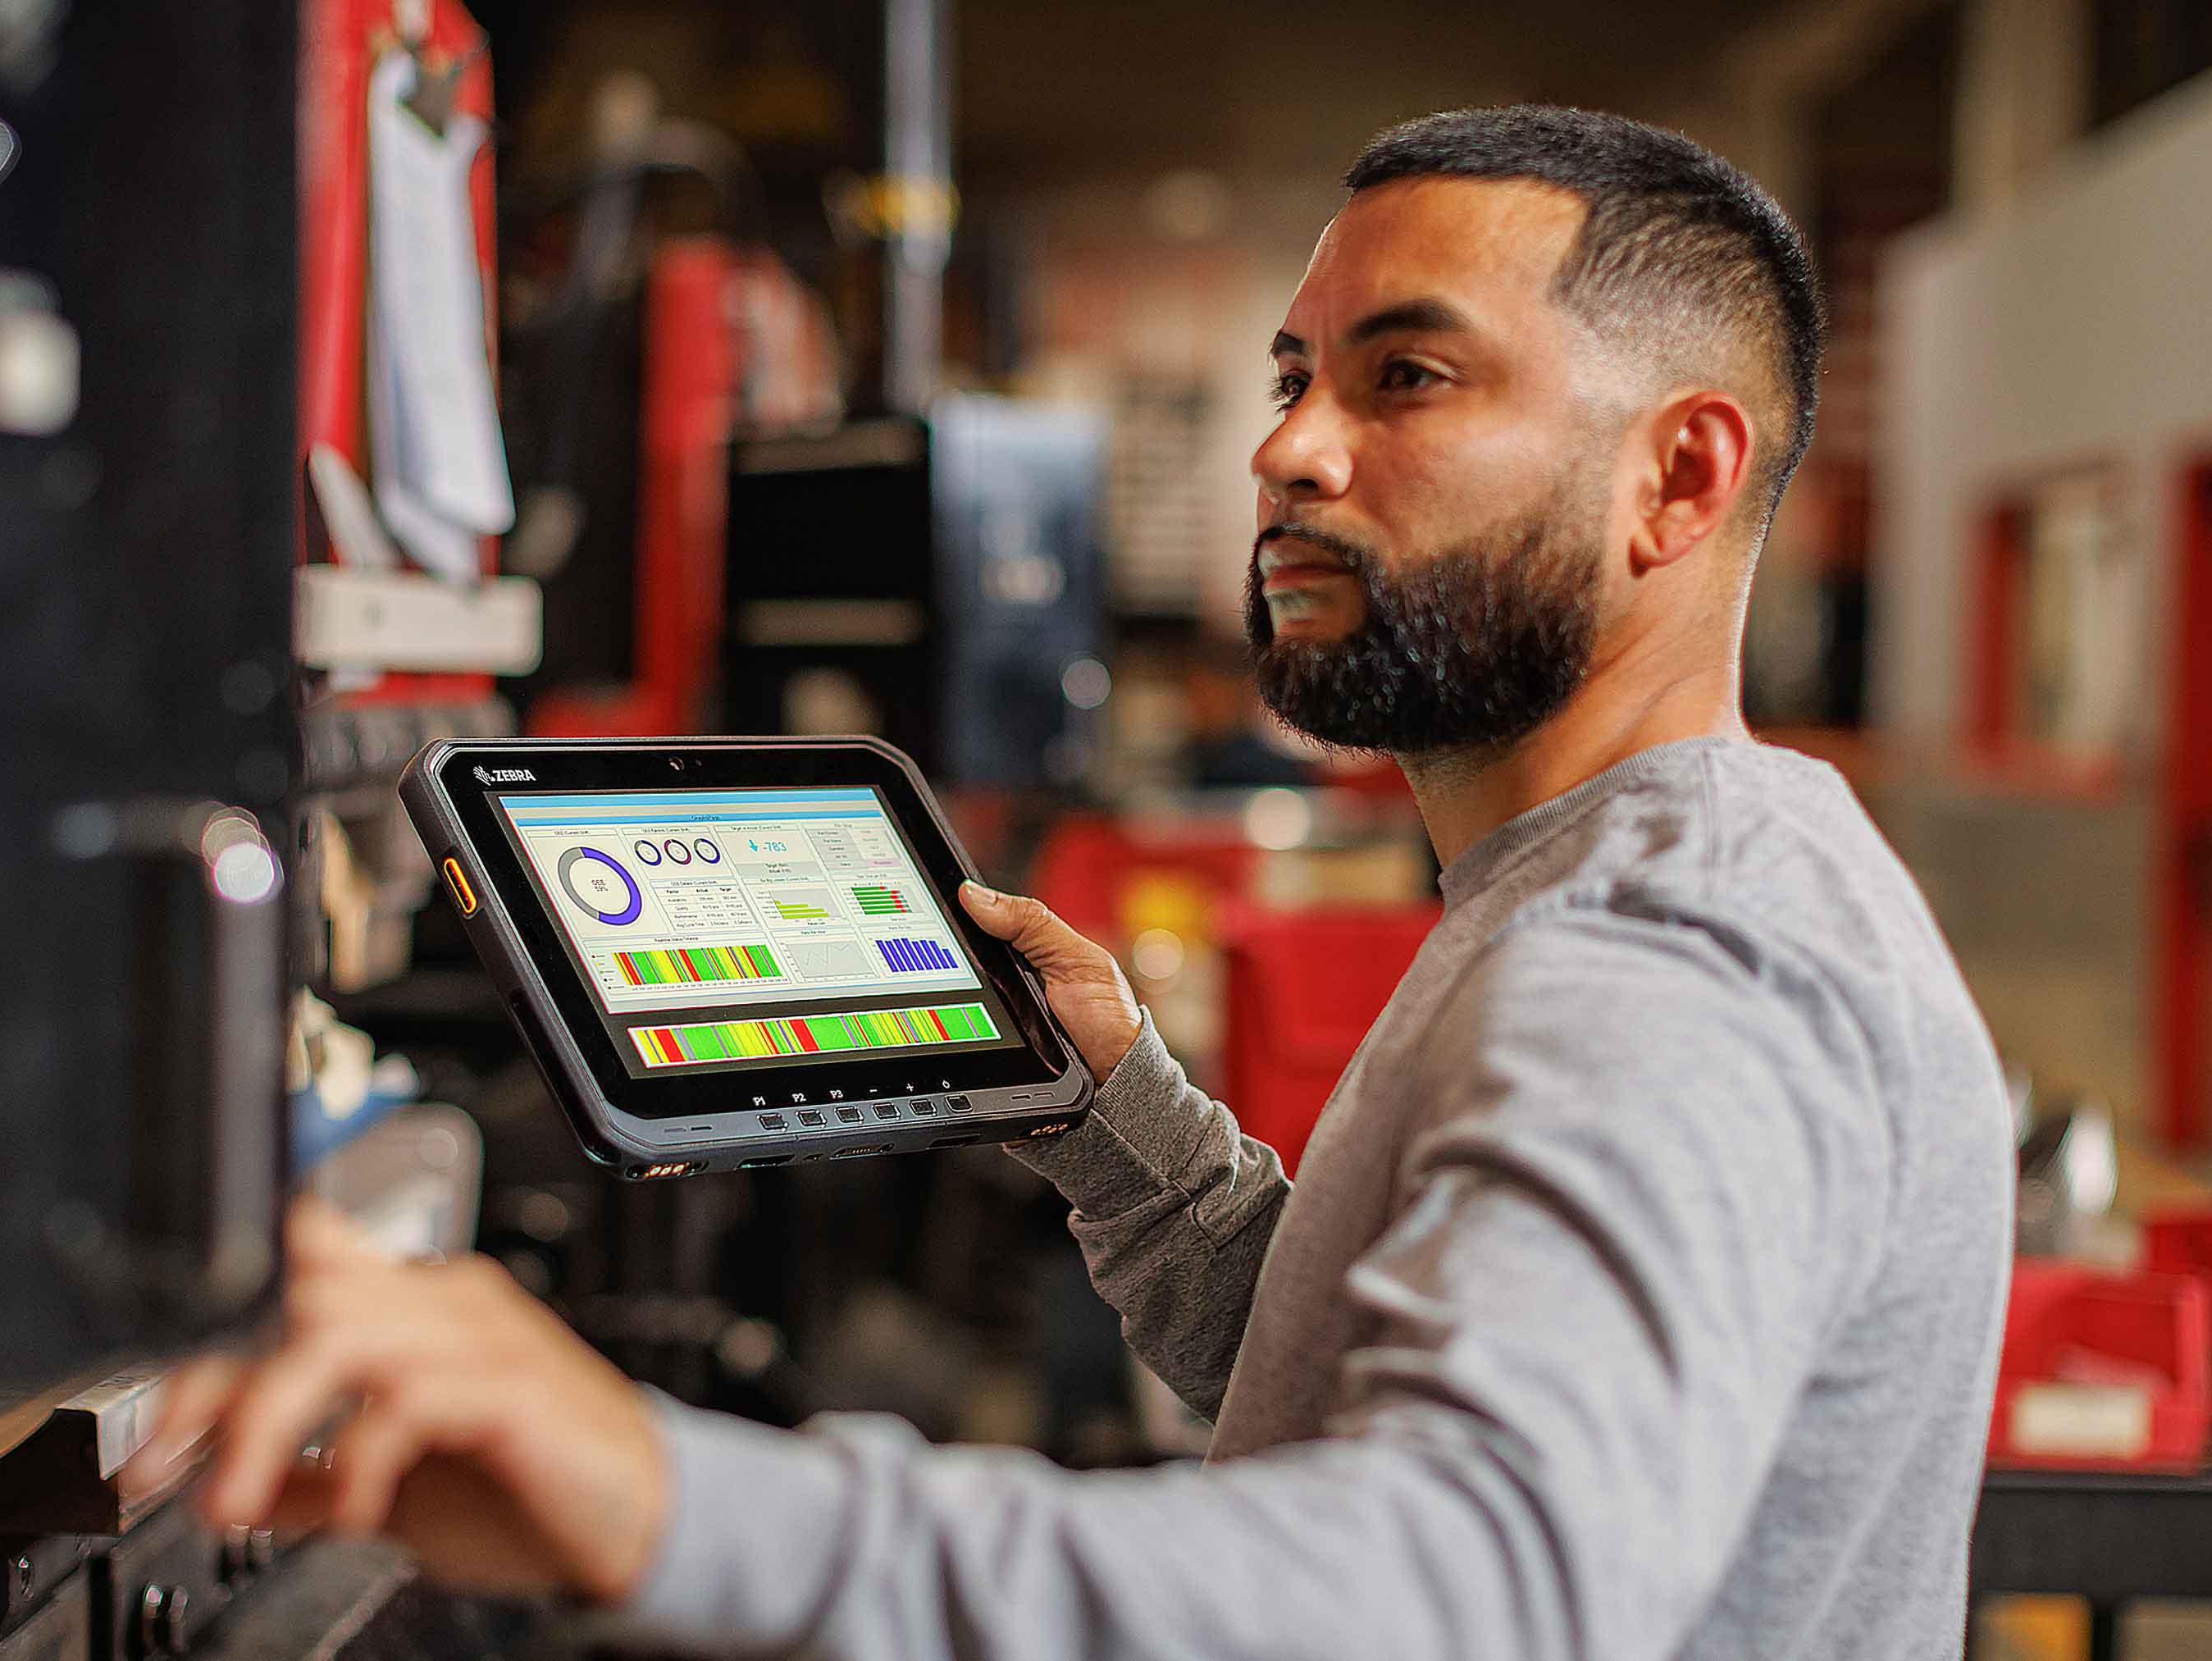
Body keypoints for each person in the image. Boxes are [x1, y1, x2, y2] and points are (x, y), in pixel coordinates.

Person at [141, 107, 2014, 1660]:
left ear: (1677, 482)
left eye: (1408, 375)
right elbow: (1341, 1376)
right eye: (1293, 376)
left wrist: (649, 1485)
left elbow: (1466, 1587)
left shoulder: (1676, 949)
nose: (1286, 446)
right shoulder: (1580, 885)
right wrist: (1121, 1121)